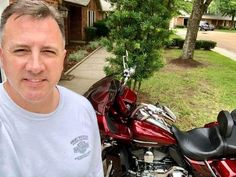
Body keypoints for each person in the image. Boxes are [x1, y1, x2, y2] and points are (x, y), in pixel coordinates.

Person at [0, 1, 103, 177]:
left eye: (48, 51)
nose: (35, 66)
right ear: (2, 57)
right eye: (21, 50)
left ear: (62, 59)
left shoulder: (82, 110)